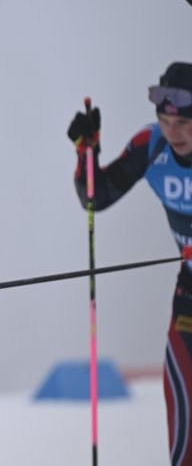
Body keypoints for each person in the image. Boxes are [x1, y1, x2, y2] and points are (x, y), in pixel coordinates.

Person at [67, 62, 192, 466]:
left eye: (183, 121)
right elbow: (96, 197)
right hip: (190, 293)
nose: (173, 131)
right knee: (183, 409)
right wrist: (87, 152)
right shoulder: (152, 146)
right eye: (165, 119)